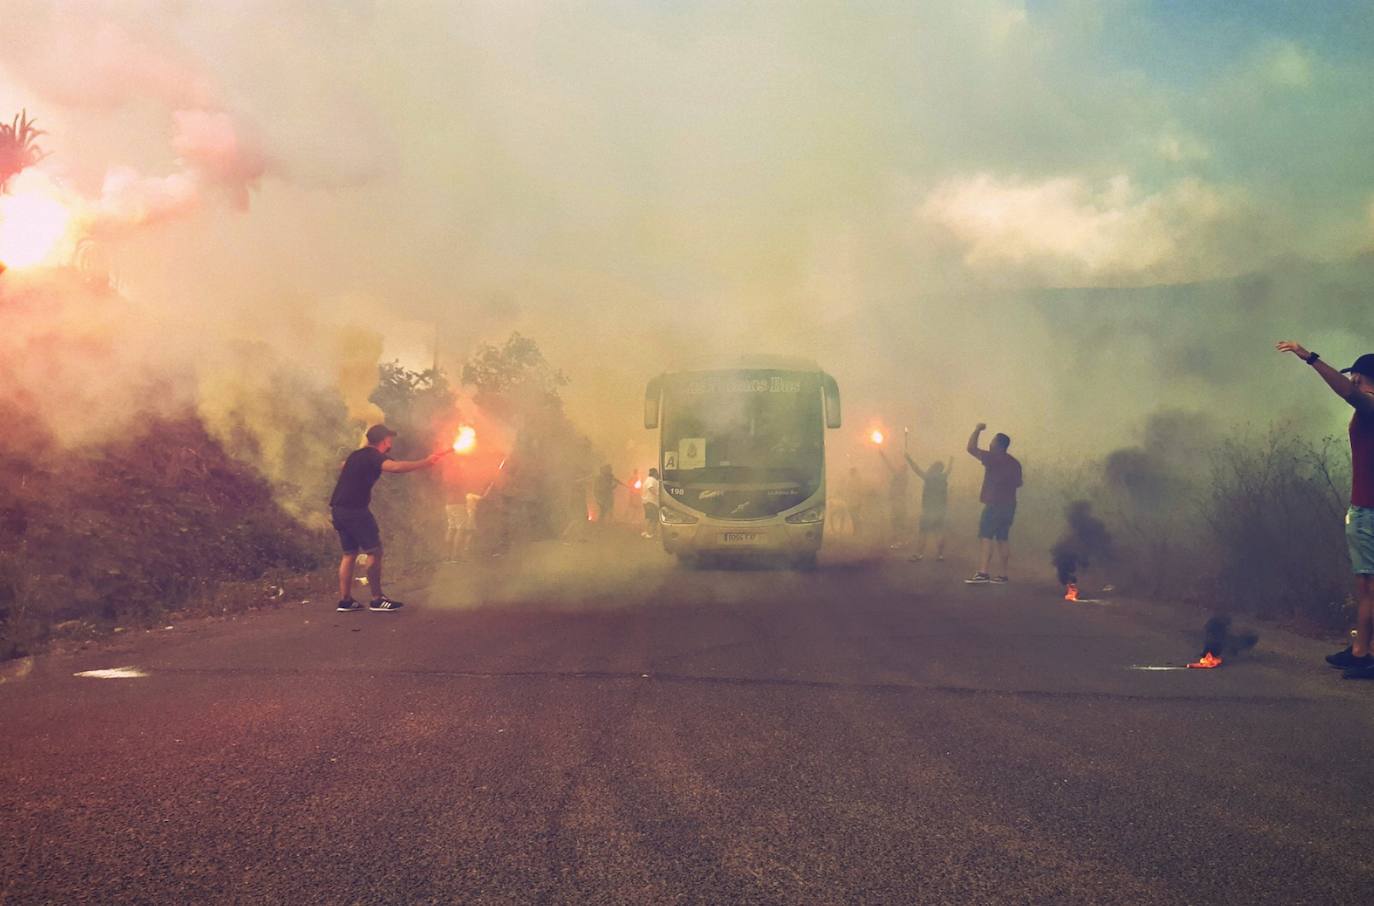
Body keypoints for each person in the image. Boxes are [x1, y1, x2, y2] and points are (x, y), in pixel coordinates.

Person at [1277, 342, 1374, 678]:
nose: (1354, 381)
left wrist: (1311, 358)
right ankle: (1363, 650)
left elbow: (1347, 391)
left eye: (1356, 376)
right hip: (1366, 510)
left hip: (1369, 512)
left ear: (1363, 376)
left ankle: (1363, 653)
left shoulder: (1370, 405)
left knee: (1369, 587)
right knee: (1366, 587)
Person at [329, 424, 449, 612]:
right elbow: (396, 467)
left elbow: (344, 465)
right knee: (374, 552)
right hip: (356, 511)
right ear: (384, 440)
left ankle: (345, 601)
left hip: (338, 509)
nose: (391, 441)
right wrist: (426, 462)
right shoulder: (372, 456)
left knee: (349, 553)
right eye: (389, 438)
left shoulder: (357, 455)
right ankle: (377, 599)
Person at [964, 423, 1022, 584]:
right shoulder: (1015, 463)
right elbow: (1018, 483)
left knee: (986, 536)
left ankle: (983, 573)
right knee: (1003, 538)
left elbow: (970, 448)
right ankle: (1003, 575)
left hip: (994, 504)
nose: (990, 444)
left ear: (998, 445)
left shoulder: (993, 457)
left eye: (992, 441)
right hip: (1010, 505)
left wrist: (977, 430)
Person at [906, 455, 953, 562]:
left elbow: (916, 469)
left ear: (933, 467)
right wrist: (951, 461)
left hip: (928, 509)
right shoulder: (943, 477)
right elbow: (949, 470)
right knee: (939, 532)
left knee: (923, 533)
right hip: (940, 509)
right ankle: (940, 555)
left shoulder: (929, 477)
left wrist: (909, 459)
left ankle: (919, 554)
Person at [877, 448, 911, 548]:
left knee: (897, 521)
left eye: (901, 468)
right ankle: (902, 540)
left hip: (898, 501)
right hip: (900, 501)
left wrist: (883, 455)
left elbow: (890, 466)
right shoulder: (904, 477)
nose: (899, 469)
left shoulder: (900, 476)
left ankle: (899, 540)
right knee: (899, 521)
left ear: (902, 470)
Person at [641, 467, 661, 538]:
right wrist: (657, 494)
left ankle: (646, 532)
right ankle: (650, 533)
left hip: (647, 501)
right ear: (654, 473)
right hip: (651, 502)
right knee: (654, 518)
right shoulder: (651, 480)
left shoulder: (648, 479)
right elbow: (650, 488)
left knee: (649, 517)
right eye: (657, 473)